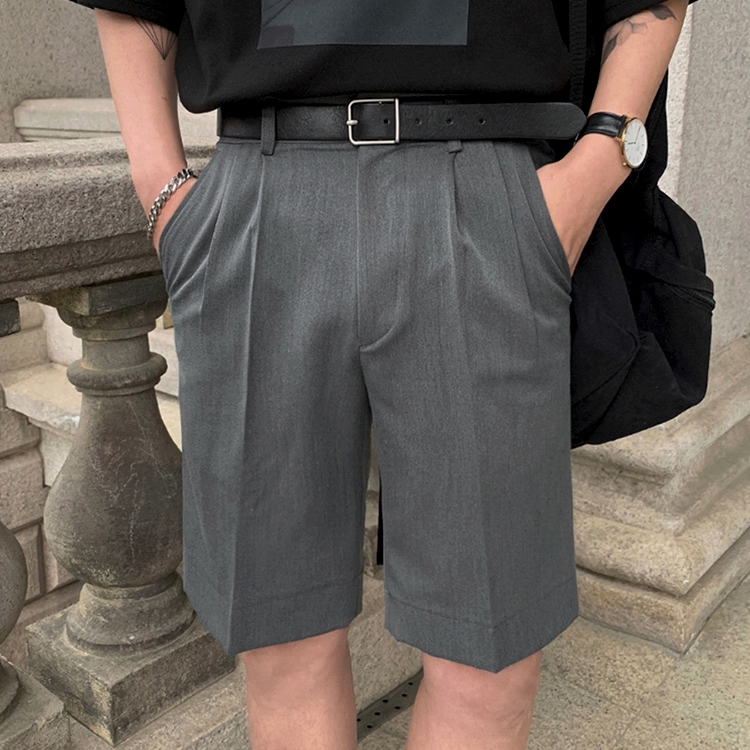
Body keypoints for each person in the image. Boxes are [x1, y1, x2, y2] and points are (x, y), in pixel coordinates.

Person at [70, 0, 693, 747]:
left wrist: (598, 161)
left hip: (486, 192)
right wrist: (164, 191)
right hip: (262, 199)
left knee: (489, 669)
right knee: (281, 648)